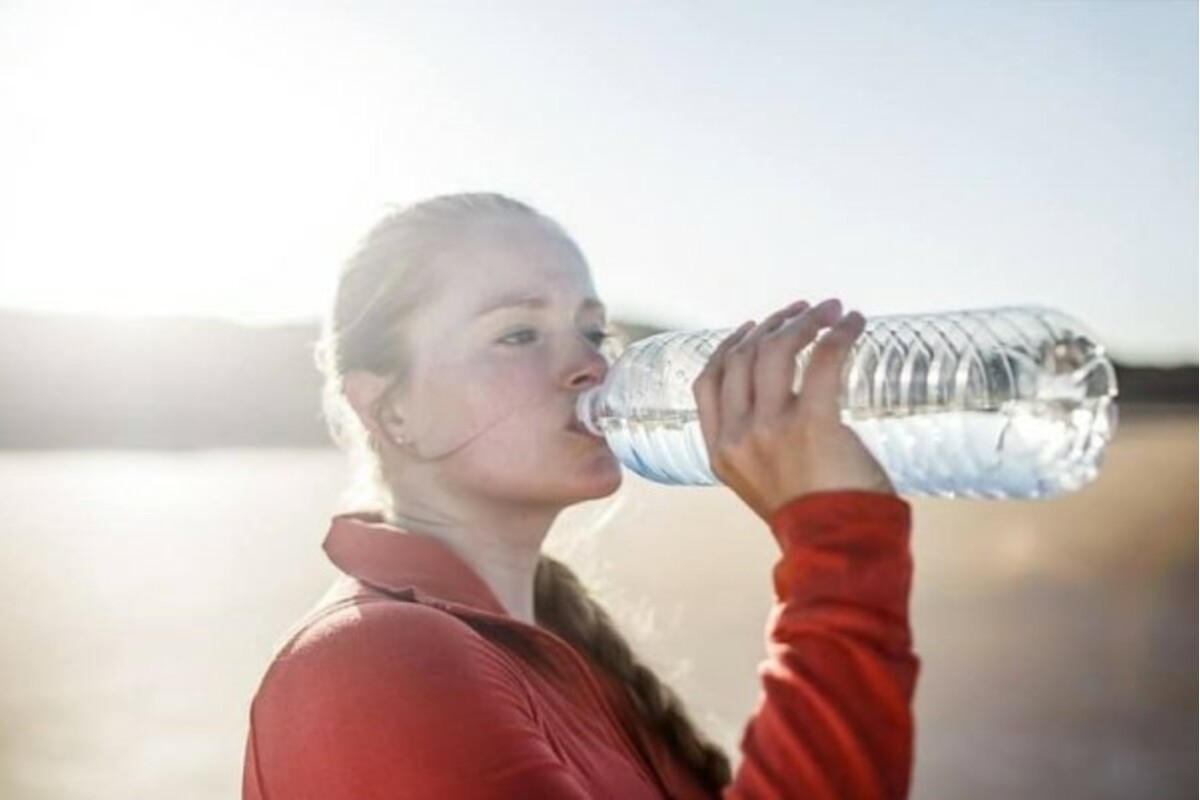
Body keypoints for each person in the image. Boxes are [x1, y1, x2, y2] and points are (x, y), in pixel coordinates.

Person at [241, 192, 919, 799]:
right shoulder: (373, 662)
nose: (593, 366)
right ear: (390, 412)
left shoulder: (554, 647)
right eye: (518, 334)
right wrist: (838, 548)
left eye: (593, 332)